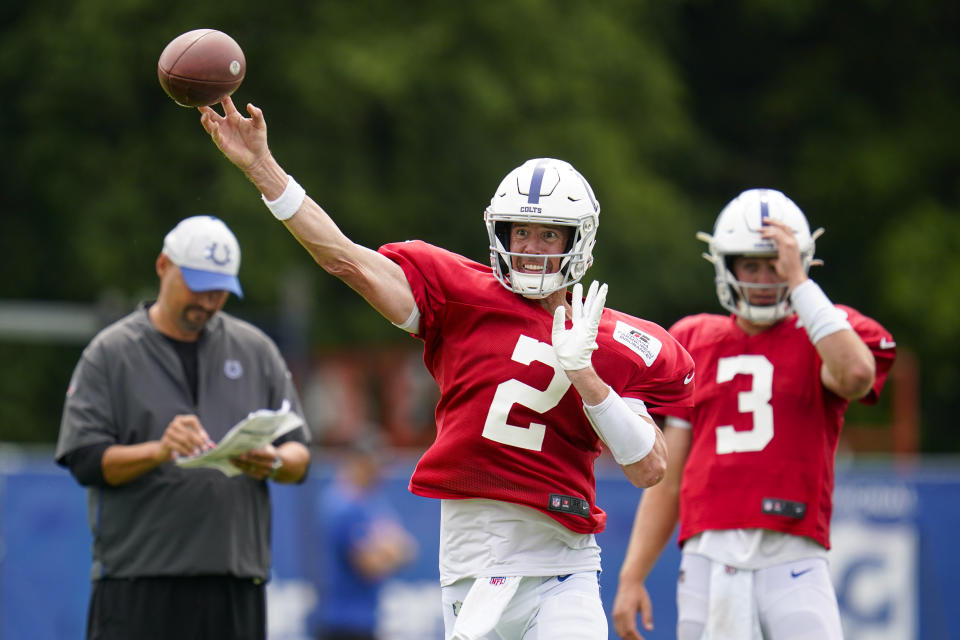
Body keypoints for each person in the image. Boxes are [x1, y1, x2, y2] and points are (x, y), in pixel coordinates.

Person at [198, 97, 695, 639]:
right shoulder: (458, 294)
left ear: (579, 241)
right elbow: (344, 258)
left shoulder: (612, 337)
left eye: (548, 234)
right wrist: (261, 167)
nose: (529, 249)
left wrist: (586, 375)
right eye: (518, 233)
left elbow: (649, 469)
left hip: (564, 561)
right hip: (473, 564)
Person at [611, 189, 897, 640]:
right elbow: (670, 478)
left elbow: (858, 373)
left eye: (776, 264)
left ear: (800, 262)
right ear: (727, 267)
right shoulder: (693, 338)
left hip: (794, 551)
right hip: (708, 554)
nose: (765, 278)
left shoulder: (826, 331)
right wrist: (632, 576)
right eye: (751, 265)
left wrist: (800, 284)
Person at [55, 214, 312, 640]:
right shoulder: (111, 353)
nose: (209, 301)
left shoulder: (256, 350)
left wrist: (272, 461)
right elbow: (85, 460)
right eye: (198, 285)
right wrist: (158, 451)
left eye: (220, 291)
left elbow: (299, 454)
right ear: (163, 266)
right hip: (139, 580)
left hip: (234, 582)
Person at [313, 432, 418, 640]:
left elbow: (409, 549)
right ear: (358, 463)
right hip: (342, 622)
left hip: (365, 619)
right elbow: (369, 565)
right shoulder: (342, 505)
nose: (380, 471)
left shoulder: (372, 502)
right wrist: (390, 552)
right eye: (374, 463)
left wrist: (389, 551)